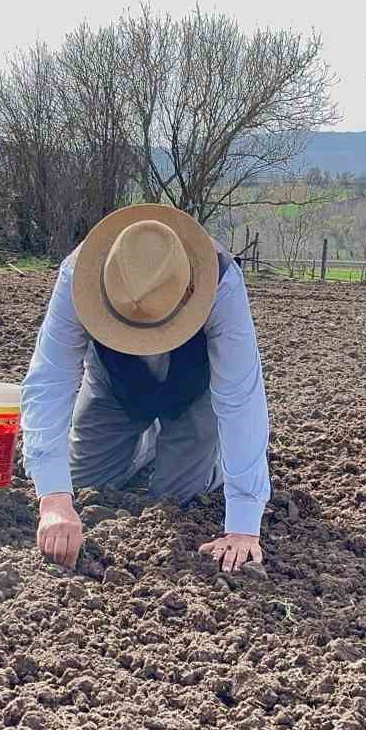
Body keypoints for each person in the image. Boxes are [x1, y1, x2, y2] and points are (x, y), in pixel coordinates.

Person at [21, 204, 271, 573]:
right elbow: (50, 380)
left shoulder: (222, 284)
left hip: (194, 391)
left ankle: (213, 461)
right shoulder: (78, 277)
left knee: (179, 496)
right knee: (86, 485)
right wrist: (54, 499)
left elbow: (240, 396)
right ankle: (147, 445)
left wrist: (243, 523)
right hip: (115, 386)